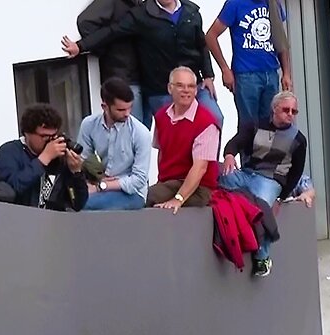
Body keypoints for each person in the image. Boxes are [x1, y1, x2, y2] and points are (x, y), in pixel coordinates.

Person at [61, 0, 223, 130]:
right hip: (161, 89)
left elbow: (201, 43)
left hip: (193, 86)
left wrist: (208, 75)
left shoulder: (191, 11)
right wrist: (81, 46)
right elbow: (112, 32)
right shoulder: (141, 15)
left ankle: (209, 167)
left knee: (215, 118)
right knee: (176, 134)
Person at [218, 90, 307, 276]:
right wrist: (228, 156)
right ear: (274, 109)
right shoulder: (255, 126)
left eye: (294, 111)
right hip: (248, 173)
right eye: (286, 110)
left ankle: (262, 256)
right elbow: (235, 142)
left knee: (261, 207)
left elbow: (296, 172)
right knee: (220, 180)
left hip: (272, 180)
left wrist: (281, 196)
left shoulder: (298, 140)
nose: (290, 114)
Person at [206, 0, 293, 127]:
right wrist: (224, 69)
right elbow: (211, 36)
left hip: (271, 72)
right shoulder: (235, 4)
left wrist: (286, 73)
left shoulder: (274, 4)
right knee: (248, 127)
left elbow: (280, 40)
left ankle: (264, 148)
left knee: (270, 124)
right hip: (246, 75)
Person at [146, 67, 220, 211]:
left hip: (200, 187)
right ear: (170, 88)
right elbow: (162, 153)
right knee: (141, 196)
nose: (186, 90)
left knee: (147, 198)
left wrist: (178, 199)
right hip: (170, 183)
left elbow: (200, 168)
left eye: (191, 86)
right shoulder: (161, 116)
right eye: (180, 85)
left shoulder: (207, 121)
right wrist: (161, 182)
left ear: (196, 90)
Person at [0, 103, 89, 212]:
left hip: (53, 222)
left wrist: (76, 173)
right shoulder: (9, 152)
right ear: (27, 133)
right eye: (44, 136)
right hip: (19, 219)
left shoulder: (60, 157)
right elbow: (9, 190)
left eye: (53, 136)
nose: (50, 141)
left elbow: (78, 203)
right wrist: (43, 159)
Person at [77, 78, 152, 211]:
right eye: (121, 110)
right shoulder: (89, 124)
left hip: (132, 193)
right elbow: (82, 160)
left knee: (85, 206)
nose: (127, 113)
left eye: (130, 108)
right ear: (105, 106)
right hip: (102, 184)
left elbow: (139, 180)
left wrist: (101, 186)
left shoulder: (141, 133)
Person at [76, 0, 149, 125]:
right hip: (123, 77)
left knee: (142, 131)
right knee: (130, 129)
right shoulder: (111, 2)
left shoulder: (143, 4)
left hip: (144, 78)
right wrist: (103, 48)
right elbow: (85, 22)